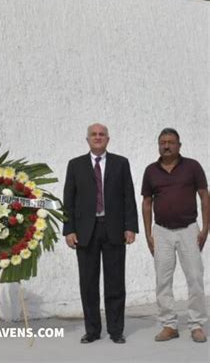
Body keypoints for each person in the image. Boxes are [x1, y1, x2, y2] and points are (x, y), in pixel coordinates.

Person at [63, 123, 138, 344]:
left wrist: (131, 227)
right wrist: (69, 230)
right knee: (88, 283)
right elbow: (69, 199)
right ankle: (93, 331)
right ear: (87, 139)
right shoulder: (75, 165)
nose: (98, 138)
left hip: (114, 228)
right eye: (94, 135)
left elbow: (128, 196)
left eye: (101, 135)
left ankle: (116, 330)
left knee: (115, 282)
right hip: (85, 231)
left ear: (108, 139)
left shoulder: (120, 163)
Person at [142, 128, 208, 343]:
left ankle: (196, 324)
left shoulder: (192, 166)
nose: (167, 145)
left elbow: (204, 196)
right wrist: (148, 234)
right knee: (163, 281)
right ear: (158, 145)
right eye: (163, 142)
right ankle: (169, 325)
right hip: (161, 232)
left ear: (179, 145)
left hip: (189, 230)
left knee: (195, 279)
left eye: (171, 142)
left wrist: (205, 228)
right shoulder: (151, 171)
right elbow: (146, 203)